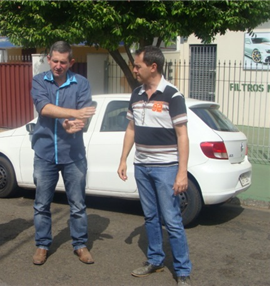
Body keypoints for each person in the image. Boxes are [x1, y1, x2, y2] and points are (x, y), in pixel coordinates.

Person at [117, 46, 192, 286]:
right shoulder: (136, 94)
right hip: (142, 166)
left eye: (137, 65)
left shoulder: (173, 95)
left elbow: (182, 135)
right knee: (150, 216)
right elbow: (131, 129)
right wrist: (123, 159)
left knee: (171, 220)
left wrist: (182, 172)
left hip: (166, 168)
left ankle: (182, 271)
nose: (134, 69)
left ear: (153, 67)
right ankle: (156, 260)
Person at [30, 41, 96, 265]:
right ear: (49, 59)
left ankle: (80, 244)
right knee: (41, 204)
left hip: (73, 154)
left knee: (77, 204)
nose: (58, 65)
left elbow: (84, 116)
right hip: (45, 152)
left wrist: (74, 124)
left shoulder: (82, 83)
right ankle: (42, 245)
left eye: (63, 62)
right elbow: (44, 108)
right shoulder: (39, 81)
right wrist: (72, 114)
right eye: (54, 61)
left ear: (71, 62)